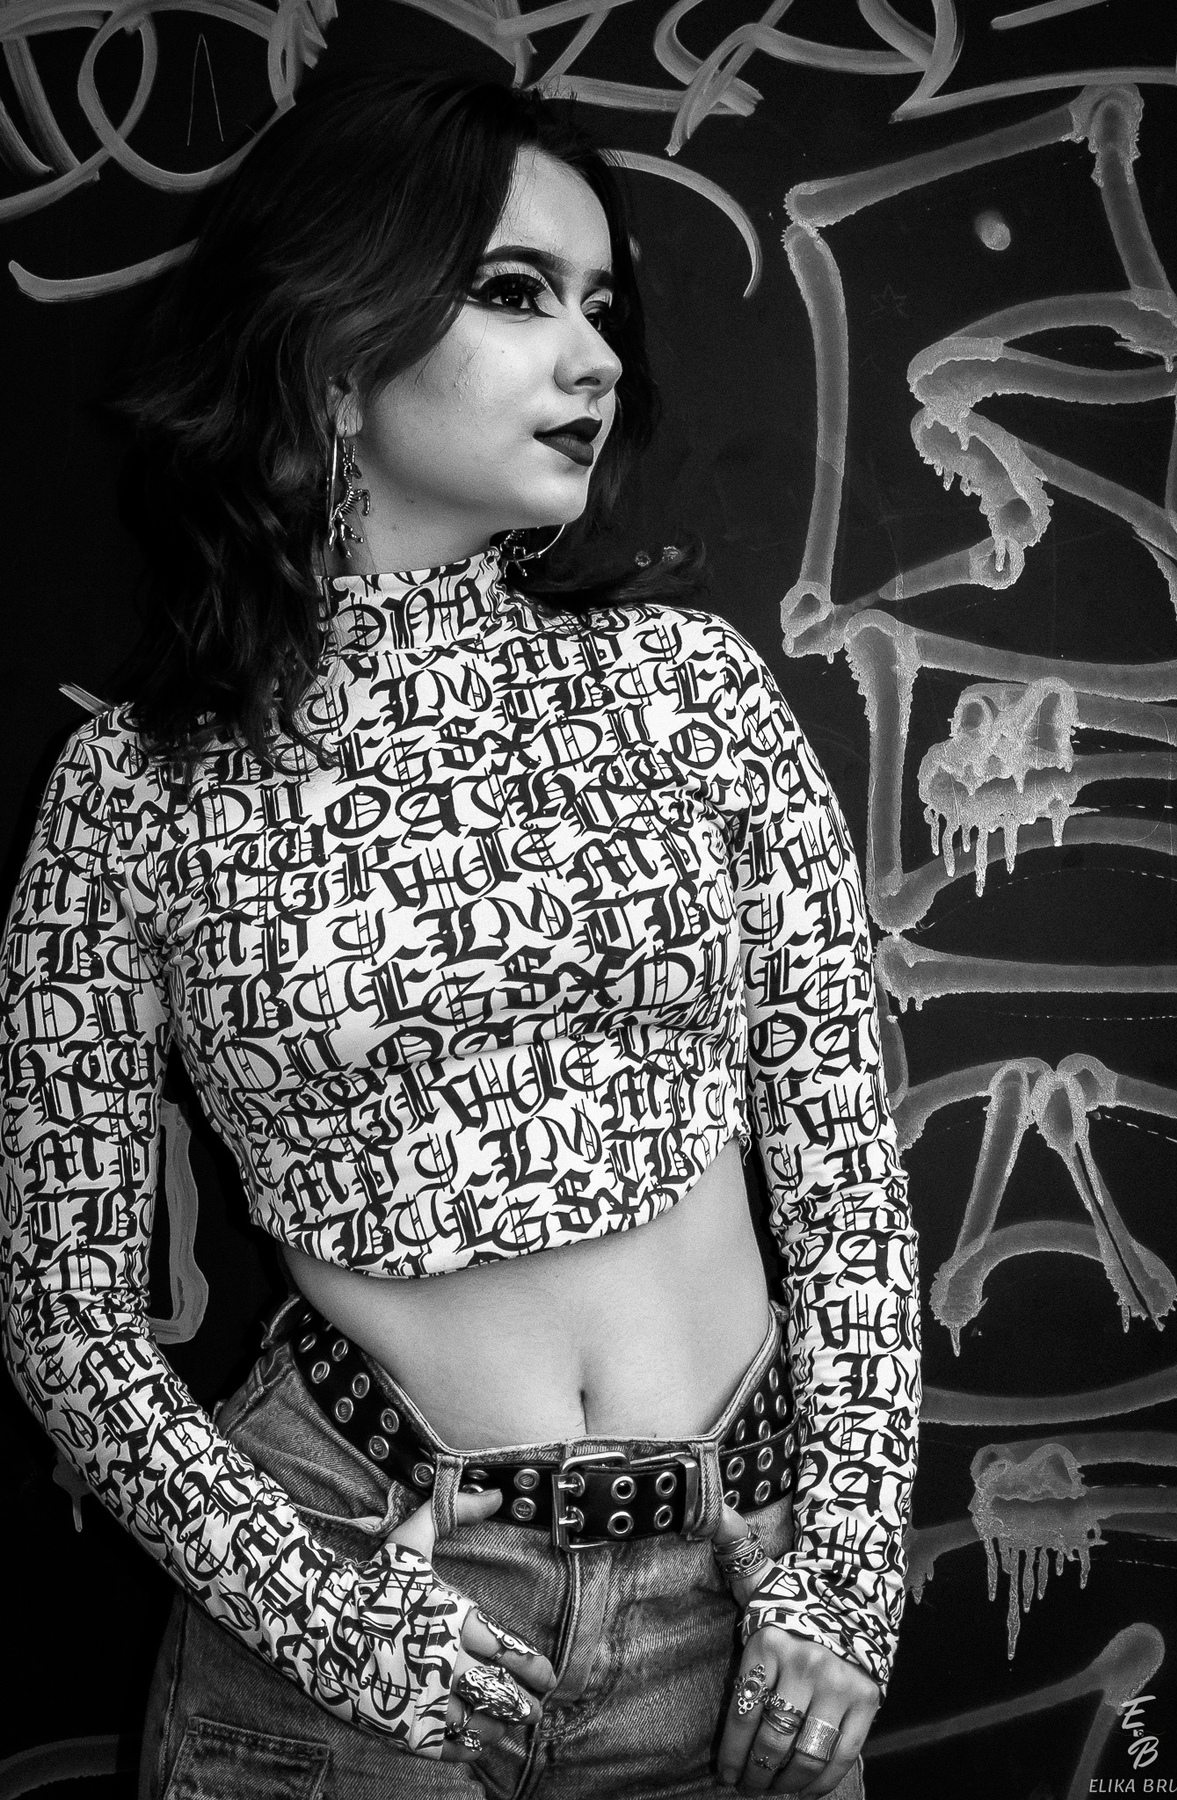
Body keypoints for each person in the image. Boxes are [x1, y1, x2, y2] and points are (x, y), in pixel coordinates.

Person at [0, 69, 920, 1799]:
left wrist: (851, 1566)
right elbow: (67, 1317)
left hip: (746, 1603)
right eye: (516, 293)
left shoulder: (693, 692)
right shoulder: (135, 792)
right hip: (358, 1591)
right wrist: (321, 1611)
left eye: (601, 307)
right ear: (334, 352)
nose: (595, 358)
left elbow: (848, 1177)